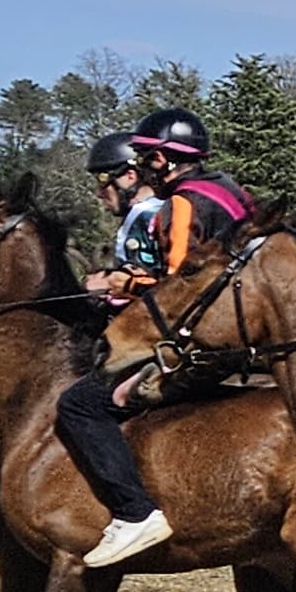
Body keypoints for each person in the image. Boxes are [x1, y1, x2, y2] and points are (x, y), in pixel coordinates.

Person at [57, 112, 253, 568]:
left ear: (162, 160)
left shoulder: (183, 204)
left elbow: (179, 286)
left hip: (198, 340)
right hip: (240, 329)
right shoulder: (231, 190)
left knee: (80, 404)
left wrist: (121, 284)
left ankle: (135, 511)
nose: (139, 168)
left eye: (144, 159)